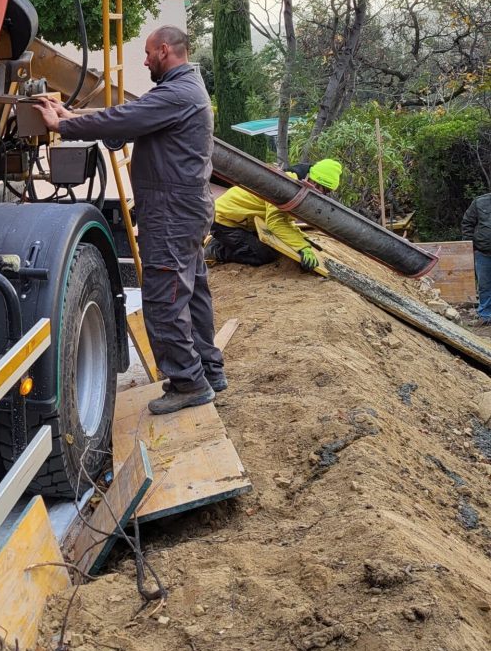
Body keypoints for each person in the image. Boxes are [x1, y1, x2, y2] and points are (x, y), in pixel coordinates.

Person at [35, 25, 224, 415]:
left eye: (149, 52)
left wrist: (63, 125)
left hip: (173, 214)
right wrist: (74, 115)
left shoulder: (177, 93)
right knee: (192, 294)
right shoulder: (185, 90)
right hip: (183, 209)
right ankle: (209, 369)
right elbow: (130, 119)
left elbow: (125, 118)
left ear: (166, 51)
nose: (144, 59)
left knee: (164, 299)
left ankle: (189, 383)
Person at [206, 159, 343, 271]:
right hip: (223, 220)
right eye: (317, 186)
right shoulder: (286, 186)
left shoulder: (298, 187)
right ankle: (215, 250)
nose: (319, 192)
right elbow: (276, 222)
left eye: (324, 190)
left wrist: (302, 238)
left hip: (242, 220)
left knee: (271, 245)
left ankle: (220, 242)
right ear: (311, 177)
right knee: (263, 255)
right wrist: (302, 247)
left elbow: (285, 219)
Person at [462, 191, 491, 323]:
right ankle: (485, 315)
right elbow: (467, 223)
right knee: (484, 285)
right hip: (483, 252)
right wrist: (469, 246)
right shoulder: (480, 202)